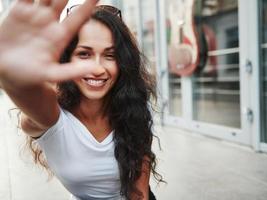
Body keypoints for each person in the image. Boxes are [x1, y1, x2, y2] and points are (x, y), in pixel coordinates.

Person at [0, 0, 163, 199]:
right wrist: (10, 75)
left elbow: (139, 192)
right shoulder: (52, 119)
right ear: (66, 58)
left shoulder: (134, 104)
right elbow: (33, 102)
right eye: (84, 54)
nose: (97, 69)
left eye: (110, 55)